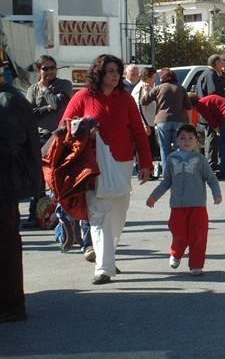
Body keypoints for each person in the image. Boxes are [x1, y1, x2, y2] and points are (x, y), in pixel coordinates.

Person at [63, 54, 153, 285]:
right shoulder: (83, 97)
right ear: (99, 72)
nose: (114, 76)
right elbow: (64, 126)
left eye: (117, 71)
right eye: (110, 71)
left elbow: (139, 134)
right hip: (91, 165)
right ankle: (103, 268)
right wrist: (82, 129)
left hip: (122, 163)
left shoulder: (125, 100)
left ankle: (108, 256)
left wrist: (145, 163)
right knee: (99, 213)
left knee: (118, 216)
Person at [146, 123, 221, 275]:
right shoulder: (171, 159)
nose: (186, 141)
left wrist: (216, 193)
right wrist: (154, 196)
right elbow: (166, 182)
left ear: (197, 141)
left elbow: (211, 179)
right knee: (179, 234)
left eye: (190, 138)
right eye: (182, 138)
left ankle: (196, 265)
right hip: (178, 207)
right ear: (175, 142)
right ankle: (176, 253)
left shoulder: (200, 160)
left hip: (198, 205)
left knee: (199, 236)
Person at [0, 64, 42, 322]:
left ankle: (11, 306)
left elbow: (10, 144)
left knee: (5, 246)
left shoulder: (8, 101)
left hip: (4, 185)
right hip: (6, 183)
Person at [24, 55, 73, 228]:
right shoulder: (32, 89)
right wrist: (47, 107)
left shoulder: (64, 85)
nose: (50, 71)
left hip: (58, 136)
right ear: (39, 70)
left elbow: (59, 103)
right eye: (46, 68)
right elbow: (30, 114)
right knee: (37, 178)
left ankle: (61, 214)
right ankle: (36, 215)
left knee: (57, 177)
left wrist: (46, 99)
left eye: (53, 67)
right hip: (38, 138)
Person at [187, 92, 225, 180]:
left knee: (224, 145)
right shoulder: (206, 99)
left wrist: (218, 131)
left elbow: (211, 121)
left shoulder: (200, 105)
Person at [141, 69, 192, 167]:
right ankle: (179, 170)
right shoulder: (181, 88)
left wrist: (146, 91)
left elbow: (144, 101)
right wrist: (189, 122)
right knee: (179, 147)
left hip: (162, 121)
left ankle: (166, 172)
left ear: (164, 78)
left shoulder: (158, 88)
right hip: (179, 120)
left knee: (164, 148)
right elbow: (188, 107)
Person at [195, 54, 225, 171]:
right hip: (210, 112)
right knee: (212, 138)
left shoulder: (205, 73)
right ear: (216, 63)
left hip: (205, 111)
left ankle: (210, 163)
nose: (223, 64)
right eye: (221, 62)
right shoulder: (211, 74)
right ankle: (210, 164)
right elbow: (213, 92)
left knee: (211, 137)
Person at [132, 67, 160, 177]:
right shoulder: (140, 88)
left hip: (151, 122)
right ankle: (144, 172)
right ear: (148, 77)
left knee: (151, 150)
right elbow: (138, 107)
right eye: (154, 77)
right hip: (145, 124)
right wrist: (145, 125)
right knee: (144, 150)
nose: (155, 79)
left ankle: (151, 171)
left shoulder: (149, 87)